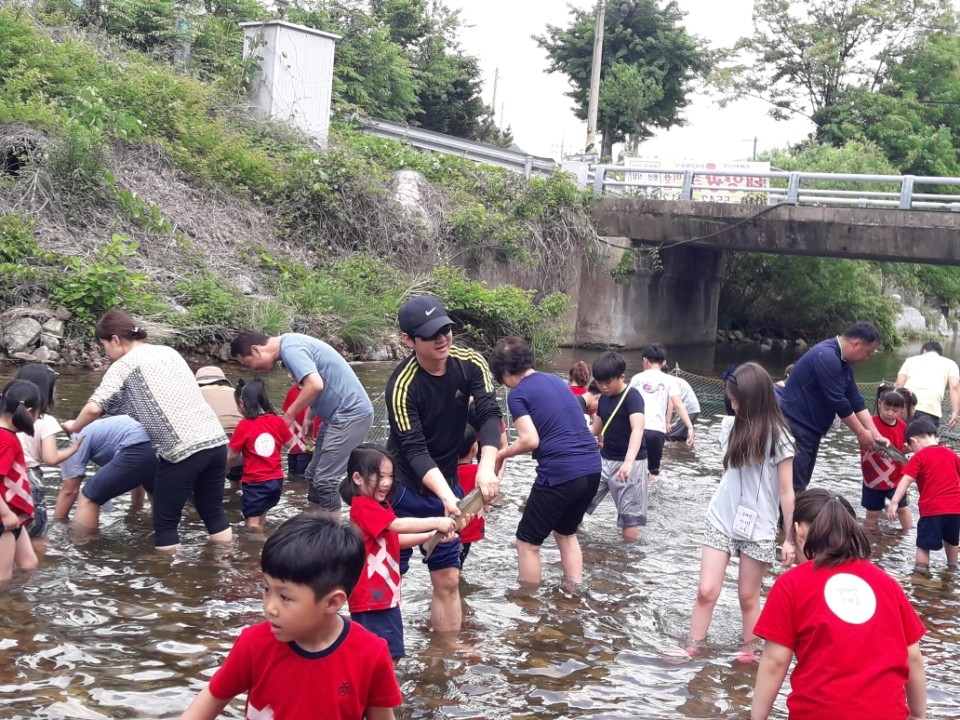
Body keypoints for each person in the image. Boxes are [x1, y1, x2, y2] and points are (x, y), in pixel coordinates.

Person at [179, 514, 402, 720]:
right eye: (267, 589)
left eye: (285, 597)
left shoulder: (370, 656)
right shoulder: (253, 645)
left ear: (332, 602)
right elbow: (211, 699)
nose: (269, 608)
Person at [62, 309, 232, 550]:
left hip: (182, 450)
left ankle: (166, 579)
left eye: (104, 347)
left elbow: (93, 408)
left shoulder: (124, 365)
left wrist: (74, 426)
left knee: (165, 525)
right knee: (213, 513)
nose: (106, 354)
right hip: (216, 441)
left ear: (115, 340)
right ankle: (224, 562)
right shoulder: (168, 352)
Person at [752, 489, 926, 720]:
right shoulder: (886, 583)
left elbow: (775, 662)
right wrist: (917, 715)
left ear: (797, 530)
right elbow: (912, 656)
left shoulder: (791, 585)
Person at [384, 296, 502, 633]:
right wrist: (448, 498)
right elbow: (415, 450)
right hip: (404, 488)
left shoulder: (470, 363)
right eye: (431, 334)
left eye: (446, 329)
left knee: (448, 578)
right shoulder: (402, 385)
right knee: (392, 573)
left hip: (447, 480)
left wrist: (487, 464)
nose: (442, 339)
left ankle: (445, 658)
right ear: (409, 340)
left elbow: (490, 413)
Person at [688, 362, 795, 660]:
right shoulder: (729, 426)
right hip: (721, 517)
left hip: (759, 525)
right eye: (730, 399)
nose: (732, 404)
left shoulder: (780, 437)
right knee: (706, 590)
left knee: (748, 596)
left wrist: (790, 539)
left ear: (752, 399)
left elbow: (787, 491)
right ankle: (692, 645)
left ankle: (749, 650)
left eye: (736, 399)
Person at [491, 336, 601, 587]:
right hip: (592, 468)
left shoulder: (517, 393)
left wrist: (502, 453)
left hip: (561, 472)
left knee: (527, 543)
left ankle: (528, 605)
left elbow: (530, 440)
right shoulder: (556, 381)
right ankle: (572, 592)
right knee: (565, 533)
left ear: (506, 372)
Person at [229, 331, 374, 519]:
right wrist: (308, 418)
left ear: (256, 350)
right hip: (334, 418)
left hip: (350, 415)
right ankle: (314, 524)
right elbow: (317, 383)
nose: (253, 370)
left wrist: (289, 416)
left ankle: (333, 536)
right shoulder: (291, 346)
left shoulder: (291, 349)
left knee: (325, 480)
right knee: (312, 475)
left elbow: (315, 384)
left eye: (248, 363)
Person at [338, 444, 456, 663]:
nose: (386, 483)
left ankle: (378, 692)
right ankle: (384, 695)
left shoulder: (379, 506)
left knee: (386, 653)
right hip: (371, 598)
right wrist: (436, 520)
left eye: (391, 476)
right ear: (357, 477)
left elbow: (394, 540)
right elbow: (397, 526)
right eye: (378, 476)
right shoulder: (364, 507)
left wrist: (430, 535)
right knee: (383, 656)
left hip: (382, 596)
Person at [779, 322, 883, 493]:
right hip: (795, 426)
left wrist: (876, 434)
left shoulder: (844, 363)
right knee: (794, 485)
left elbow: (855, 400)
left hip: (812, 430)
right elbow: (838, 402)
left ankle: (790, 518)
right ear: (856, 343)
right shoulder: (826, 356)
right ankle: (786, 519)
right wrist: (861, 433)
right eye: (868, 352)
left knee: (801, 481)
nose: (867, 358)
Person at [584, 351, 648, 542]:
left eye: (608, 383)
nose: (603, 387)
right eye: (599, 382)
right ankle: (576, 542)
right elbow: (597, 428)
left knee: (629, 516)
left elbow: (638, 429)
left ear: (621, 377)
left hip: (631, 464)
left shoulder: (632, 396)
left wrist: (628, 462)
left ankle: (626, 559)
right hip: (604, 460)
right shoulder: (603, 398)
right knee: (580, 499)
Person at [57, 415, 157, 529]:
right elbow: (137, 475)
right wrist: (135, 510)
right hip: (160, 444)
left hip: (137, 444)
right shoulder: (105, 428)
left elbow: (69, 491)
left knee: (89, 497)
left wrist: (59, 523)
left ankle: (84, 543)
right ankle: (160, 537)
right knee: (157, 501)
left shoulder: (77, 437)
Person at [887, 418, 960, 574]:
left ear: (914, 441)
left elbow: (906, 480)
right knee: (952, 540)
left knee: (923, 545)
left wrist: (894, 501)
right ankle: (952, 568)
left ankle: (920, 572)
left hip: (932, 510)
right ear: (935, 436)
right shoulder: (951, 454)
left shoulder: (919, 457)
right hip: (955, 509)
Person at [14, 364, 77, 539]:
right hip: (29, 477)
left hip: (7, 476)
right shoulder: (47, 421)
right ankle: (40, 565)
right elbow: (51, 458)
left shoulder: (5, 416)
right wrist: (73, 448)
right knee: (37, 533)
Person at [226, 379, 293, 530]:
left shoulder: (244, 425)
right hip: (276, 481)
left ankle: (256, 550)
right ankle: (264, 535)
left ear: (242, 403)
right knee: (262, 515)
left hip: (256, 482)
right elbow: (290, 445)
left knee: (252, 523)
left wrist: (225, 469)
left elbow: (232, 455)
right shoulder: (277, 421)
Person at [628, 343, 694, 482]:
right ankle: (652, 499)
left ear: (644, 360)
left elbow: (627, 404)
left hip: (637, 429)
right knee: (654, 472)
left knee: (633, 467)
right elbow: (678, 405)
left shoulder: (636, 379)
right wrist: (689, 426)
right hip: (657, 431)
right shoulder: (669, 380)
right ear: (664, 362)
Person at [0, 380, 40, 578]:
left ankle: (20, 607)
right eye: (37, 414)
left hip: (12, 515)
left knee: (29, 564)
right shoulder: (5, 440)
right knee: (3, 577)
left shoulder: (9, 435)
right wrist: (6, 514)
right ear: (29, 411)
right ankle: (7, 607)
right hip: (4, 516)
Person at [861, 390, 911, 531]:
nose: (890, 413)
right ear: (879, 404)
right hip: (873, 477)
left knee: (902, 508)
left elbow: (901, 447)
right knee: (872, 513)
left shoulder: (902, 426)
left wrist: (906, 449)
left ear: (902, 410)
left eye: (895, 411)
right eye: (887, 409)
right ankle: (871, 538)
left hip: (895, 476)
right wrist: (872, 449)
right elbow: (863, 443)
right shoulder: (871, 422)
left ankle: (908, 535)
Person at [194, 366, 244, 487]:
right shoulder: (238, 392)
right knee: (238, 485)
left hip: (215, 452)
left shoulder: (193, 394)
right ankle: (235, 500)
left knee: (200, 489)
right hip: (245, 451)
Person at [895, 340, 960, 430]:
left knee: (901, 438)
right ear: (939, 354)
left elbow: (899, 384)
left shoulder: (910, 360)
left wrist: (894, 406)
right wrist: (955, 412)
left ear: (924, 351)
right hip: (930, 410)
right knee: (926, 441)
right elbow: (955, 386)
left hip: (907, 406)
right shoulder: (950, 364)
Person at [455, 426, 486, 569]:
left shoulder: (441, 473)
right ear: (474, 449)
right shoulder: (479, 472)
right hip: (467, 529)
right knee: (457, 565)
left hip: (447, 525)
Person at [281, 372, 317, 480]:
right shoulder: (292, 391)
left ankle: (298, 494)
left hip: (309, 442)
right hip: (294, 442)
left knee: (301, 476)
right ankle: (296, 495)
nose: (289, 376)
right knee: (292, 473)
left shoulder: (316, 391)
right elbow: (288, 416)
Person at [665, 376, 700, 442]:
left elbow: (671, 403)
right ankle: (684, 450)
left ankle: (669, 451)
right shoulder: (674, 379)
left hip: (688, 410)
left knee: (669, 435)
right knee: (681, 437)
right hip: (695, 409)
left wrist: (668, 422)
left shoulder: (669, 382)